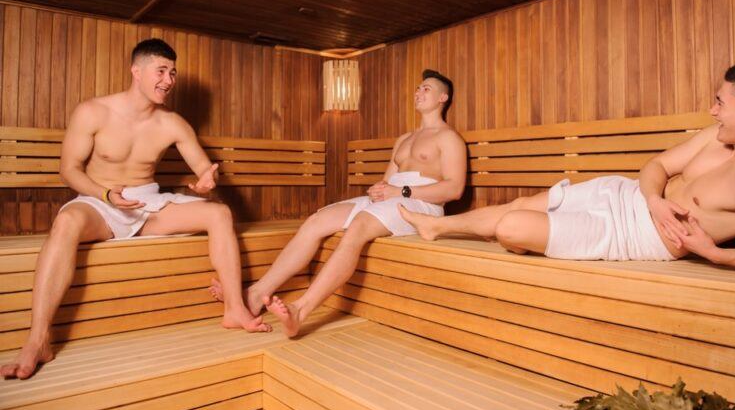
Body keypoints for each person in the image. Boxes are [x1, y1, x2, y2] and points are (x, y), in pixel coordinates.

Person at [1, 39, 267, 380]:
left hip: (148, 206)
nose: (169, 80)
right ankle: (38, 340)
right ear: (136, 71)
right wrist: (105, 194)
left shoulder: (173, 123)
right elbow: (68, 170)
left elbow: (203, 169)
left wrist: (204, 183)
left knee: (220, 213)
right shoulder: (93, 112)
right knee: (66, 220)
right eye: (161, 71)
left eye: (173, 72)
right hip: (101, 203)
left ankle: (234, 309)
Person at [401, 62, 735, 275]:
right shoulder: (718, 136)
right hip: (624, 194)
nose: (712, 110)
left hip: (632, 236)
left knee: (512, 227)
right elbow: (657, 164)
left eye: (721, 103)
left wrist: (718, 256)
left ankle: (522, 237)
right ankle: (436, 226)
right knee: (523, 201)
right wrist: (653, 199)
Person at [210, 69, 467, 336]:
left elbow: (454, 188)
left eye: (426, 88)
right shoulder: (404, 140)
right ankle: (255, 294)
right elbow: (387, 181)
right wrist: (380, 190)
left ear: (443, 98)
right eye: (418, 88)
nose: (418, 92)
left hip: (421, 204)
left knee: (358, 226)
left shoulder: (449, 138)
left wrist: (400, 192)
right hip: (394, 197)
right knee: (317, 221)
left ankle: (301, 309)